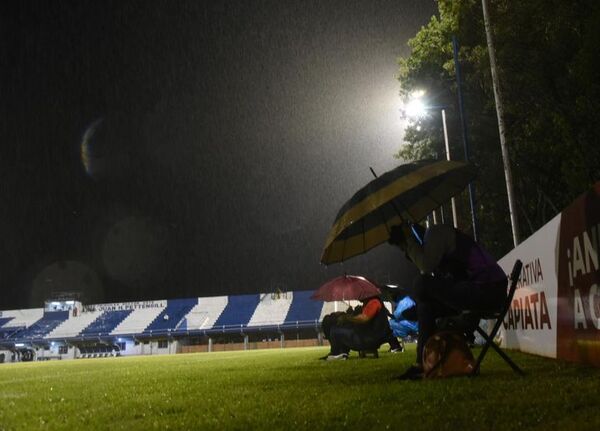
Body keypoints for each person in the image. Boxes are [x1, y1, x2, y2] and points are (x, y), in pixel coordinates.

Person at [387, 222, 507, 379]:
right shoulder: (439, 251)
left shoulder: (436, 233)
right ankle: (420, 365)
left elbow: (426, 265)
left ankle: (426, 359)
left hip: (488, 289)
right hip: (473, 290)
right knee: (425, 307)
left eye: (405, 248)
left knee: (421, 283)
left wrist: (409, 240)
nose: (407, 253)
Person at [323, 295, 400, 360]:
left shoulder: (373, 302)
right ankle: (342, 352)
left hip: (368, 339)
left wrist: (347, 318)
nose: (357, 296)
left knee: (335, 330)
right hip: (370, 337)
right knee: (339, 325)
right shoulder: (371, 302)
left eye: (359, 294)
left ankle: (337, 353)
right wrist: (350, 314)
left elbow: (364, 318)